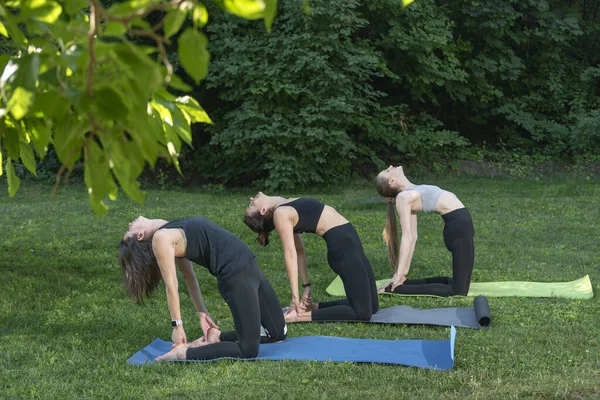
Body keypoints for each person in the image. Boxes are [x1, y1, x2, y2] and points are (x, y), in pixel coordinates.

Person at [118, 216, 287, 361]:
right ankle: (183, 354)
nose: (129, 225)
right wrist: (177, 326)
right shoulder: (161, 238)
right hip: (236, 276)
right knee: (247, 350)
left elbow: (190, 277)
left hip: (249, 266)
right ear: (140, 236)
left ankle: (217, 337)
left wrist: (202, 312)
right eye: (129, 231)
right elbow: (172, 285)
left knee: (277, 333)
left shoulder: (171, 229)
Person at [244, 192, 378, 323]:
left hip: (353, 246)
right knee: (363, 314)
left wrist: (306, 286)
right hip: (344, 250)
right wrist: (295, 297)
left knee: (372, 305)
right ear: (262, 210)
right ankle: (299, 317)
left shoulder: (284, 204)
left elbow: (299, 250)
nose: (251, 199)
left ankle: (314, 308)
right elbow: (290, 254)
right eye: (251, 206)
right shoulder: (281, 214)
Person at [374, 165, 475, 296]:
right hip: (459, 230)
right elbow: (407, 236)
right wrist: (399, 273)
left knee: (450, 282)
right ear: (392, 181)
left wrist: (403, 273)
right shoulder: (403, 198)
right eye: (388, 171)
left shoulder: (411, 190)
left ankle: (402, 283)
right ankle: (395, 289)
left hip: (460, 228)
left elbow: (414, 237)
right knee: (459, 291)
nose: (390, 166)